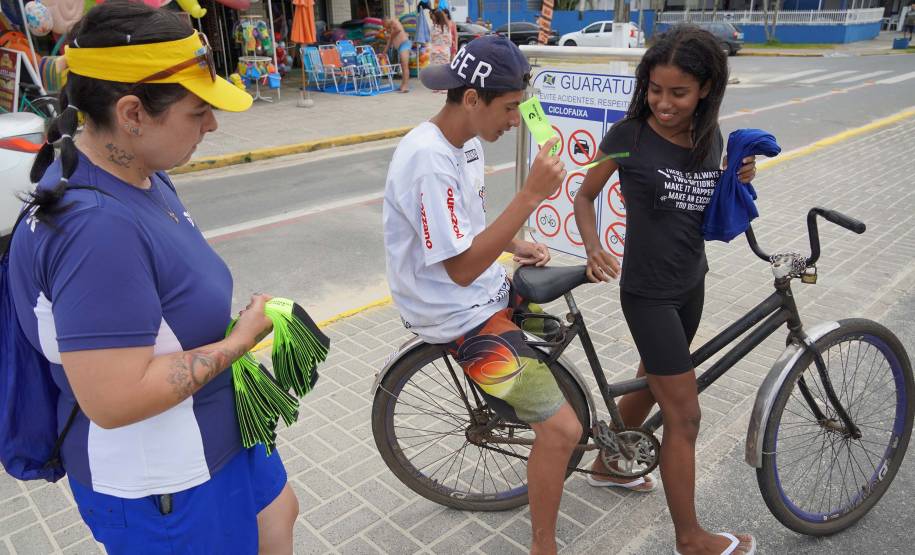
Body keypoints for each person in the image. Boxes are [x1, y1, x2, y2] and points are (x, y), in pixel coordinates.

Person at [7, 3, 298, 553]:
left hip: (218, 435)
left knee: (277, 515)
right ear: (132, 113)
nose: (212, 123)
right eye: (196, 111)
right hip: (168, 485)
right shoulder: (95, 232)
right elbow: (113, 400)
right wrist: (239, 341)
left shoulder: (141, 173)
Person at [383, 35, 576, 555]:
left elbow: (465, 225)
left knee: (567, 318)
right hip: (457, 310)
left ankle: (555, 417)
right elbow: (464, 267)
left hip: (482, 290)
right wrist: (530, 196)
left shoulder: (464, 141)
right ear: (472, 99)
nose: (515, 121)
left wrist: (515, 241)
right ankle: (544, 546)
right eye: (510, 108)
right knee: (562, 431)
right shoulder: (427, 159)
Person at [573, 26, 758, 555]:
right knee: (686, 415)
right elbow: (585, 196)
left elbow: (709, 204)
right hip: (648, 292)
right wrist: (592, 248)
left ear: (705, 89)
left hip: (691, 283)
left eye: (678, 92)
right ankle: (691, 539)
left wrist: (740, 177)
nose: (664, 102)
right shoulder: (628, 136)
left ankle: (609, 466)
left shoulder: (710, 135)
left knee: (653, 379)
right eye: (655, 89)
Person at [382, 17, 412, 93]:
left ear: (386, 21)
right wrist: (383, 53)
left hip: (404, 44)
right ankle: (402, 85)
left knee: (405, 66)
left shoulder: (394, 21)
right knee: (403, 66)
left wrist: (391, 35)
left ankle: (405, 87)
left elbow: (398, 30)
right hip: (400, 47)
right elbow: (389, 42)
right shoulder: (390, 28)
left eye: (383, 24)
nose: (384, 27)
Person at [428, 9, 452, 89]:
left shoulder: (433, 27)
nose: (433, 17)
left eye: (434, 16)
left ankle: (437, 87)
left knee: (436, 70)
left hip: (435, 51)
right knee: (444, 70)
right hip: (444, 50)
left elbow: (431, 39)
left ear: (437, 17)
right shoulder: (447, 27)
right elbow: (449, 41)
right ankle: (444, 87)